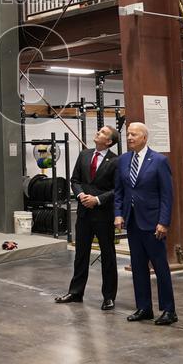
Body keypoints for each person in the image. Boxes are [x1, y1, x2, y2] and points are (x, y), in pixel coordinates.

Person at [113, 122, 176, 325]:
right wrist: (118, 214)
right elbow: (119, 191)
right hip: (132, 222)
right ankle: (144, 307)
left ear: (144, 138)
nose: (129, 137)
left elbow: (167, 195)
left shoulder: (159, 161)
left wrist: (163, 222)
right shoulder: (123, 160)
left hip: (153, 222)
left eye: (134, 134)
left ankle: (168, 310)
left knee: (160, 267)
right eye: (128, 134)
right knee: (138, 267)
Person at [55, 126, 119, 310]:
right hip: (83, 213)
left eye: (103, 133)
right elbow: (74, 180)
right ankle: (75, 292)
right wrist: (80, 195)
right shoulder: (84, 155)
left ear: (109, 141)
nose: (98, 133)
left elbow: (117, 189)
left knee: (108, 255)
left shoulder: (116, 161)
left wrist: (98, 200)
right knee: (81, 254)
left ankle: (108, 297)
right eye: (99, 131)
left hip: (103, 215)